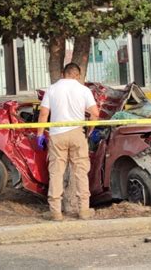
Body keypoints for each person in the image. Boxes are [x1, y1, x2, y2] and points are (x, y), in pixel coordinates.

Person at [37, 63, 100, 221]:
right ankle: (84, 210)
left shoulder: (51, 89)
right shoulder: (84, 90)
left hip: (57, 134)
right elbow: (95, 113)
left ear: (63, 73)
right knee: (80, 172)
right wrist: (90, 130)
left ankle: (56, 212)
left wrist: (39, 135)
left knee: (56, 173)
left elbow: (44, 114)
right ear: (77, 75)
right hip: (77, 133)